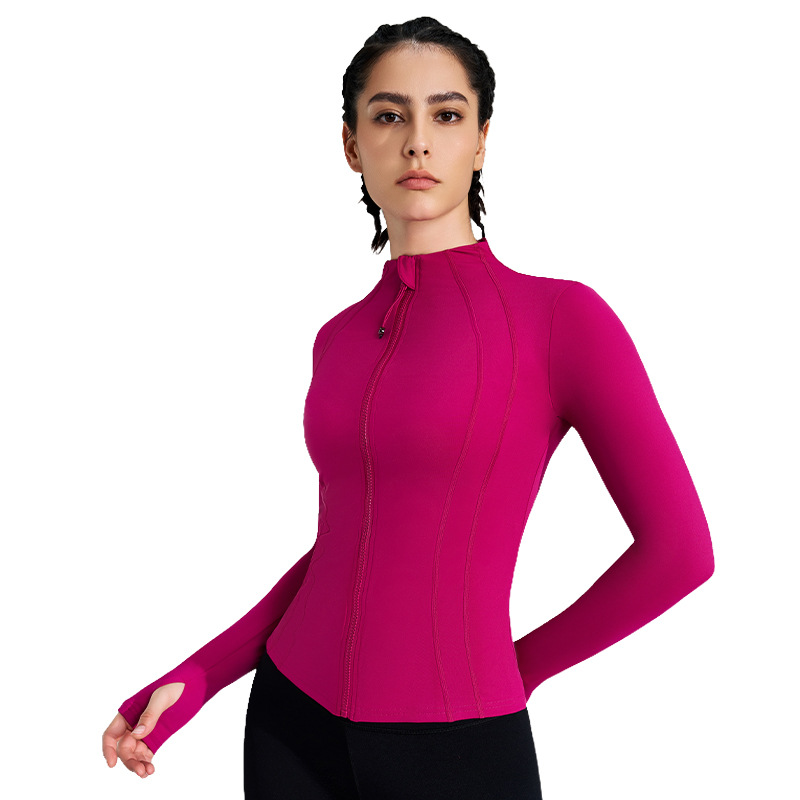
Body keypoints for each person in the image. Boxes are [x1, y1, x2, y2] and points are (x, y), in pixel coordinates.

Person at [102, 16, 715, 798]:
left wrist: (517, 671)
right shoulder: (339, 338)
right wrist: (197, 677)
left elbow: (680, 552)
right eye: (390, 116)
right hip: (290, 728)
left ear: (482, 141)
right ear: (353, 145)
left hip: (458, 748)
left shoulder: (562, 321)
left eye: (447, 115)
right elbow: (344, 549)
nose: (418, 142)